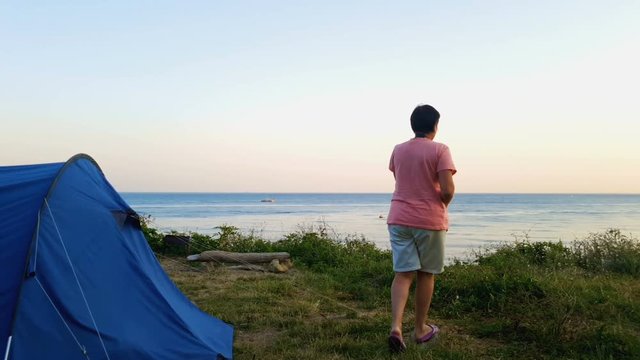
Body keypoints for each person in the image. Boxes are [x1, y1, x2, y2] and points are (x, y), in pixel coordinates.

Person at [386, 104, 456, 353]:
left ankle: (395, 328)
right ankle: (420, 329)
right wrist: (441, 205)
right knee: (426, 274)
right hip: (429, 220)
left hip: (399, 217)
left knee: (403, 274)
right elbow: (447, 189)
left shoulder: (398, 150)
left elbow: (402, 180)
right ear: (435, 126)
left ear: (413, 125)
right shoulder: (440, 149)